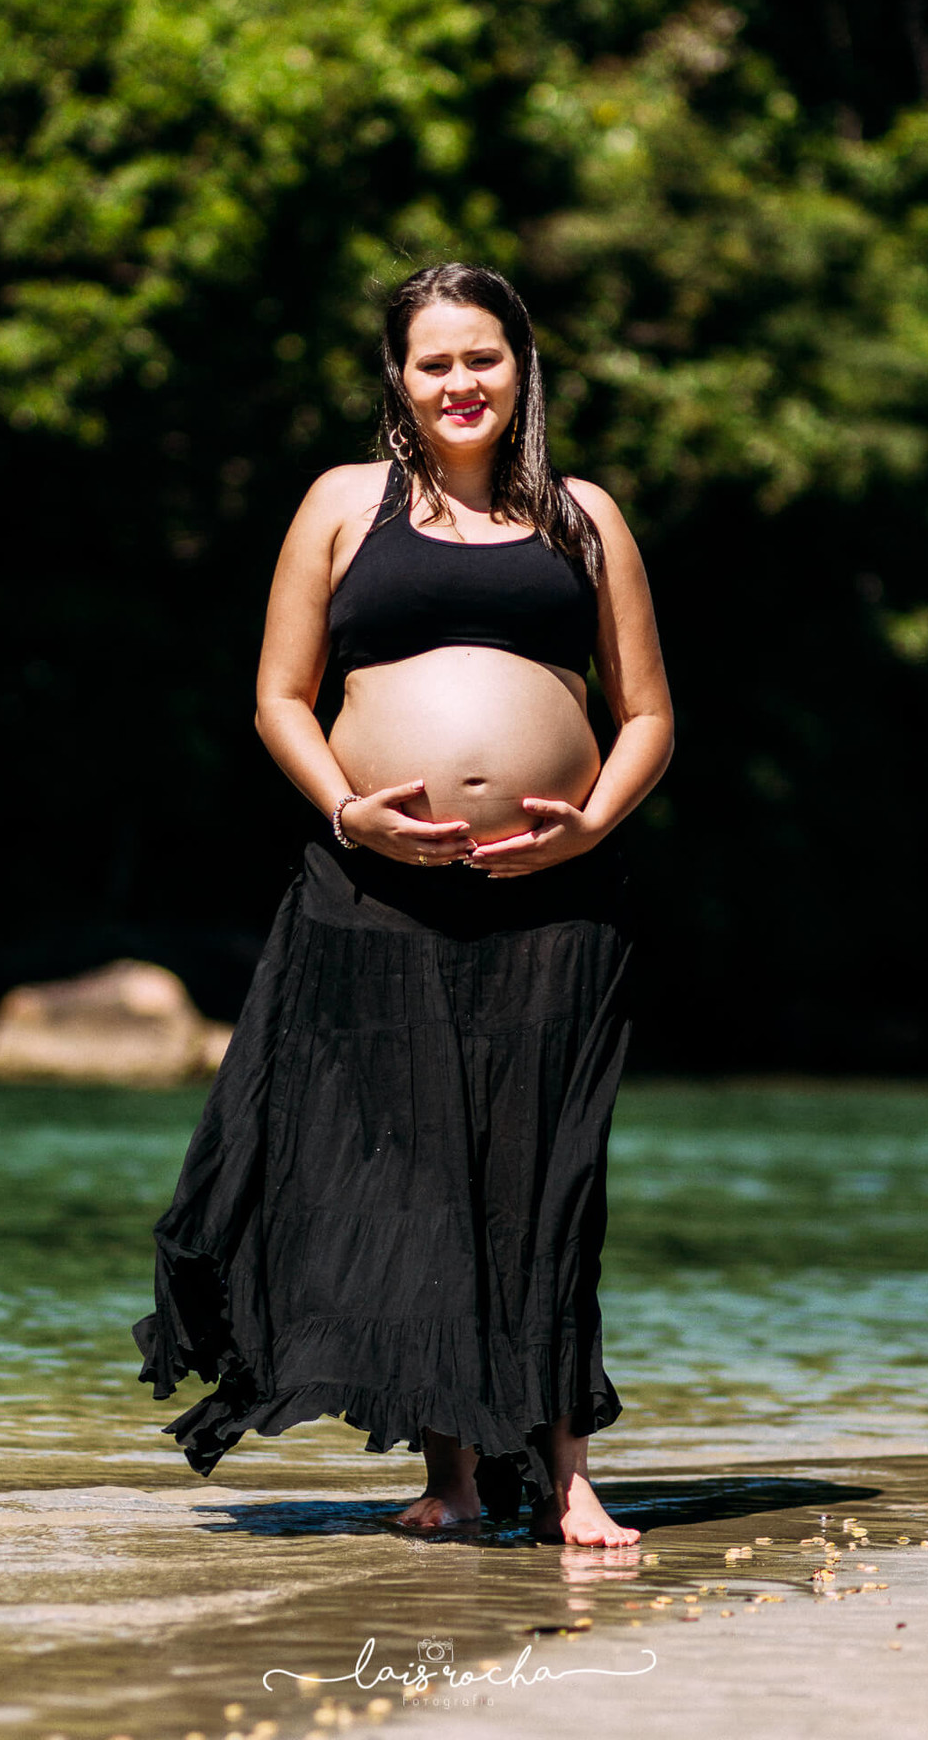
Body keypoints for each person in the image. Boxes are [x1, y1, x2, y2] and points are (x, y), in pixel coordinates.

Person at [133, 263, 673, 1547]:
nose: (459, 384)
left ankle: (571, 1478)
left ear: (520, 367)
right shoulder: (340, 506)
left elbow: (646, 713)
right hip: (374, 893)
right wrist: (345, 810)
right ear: (398, 377)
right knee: (421, 1182)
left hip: (557, 902)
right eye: (432, 362)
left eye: (481, 358)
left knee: (546, 1181)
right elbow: (277, 695)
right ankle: (453, 1480)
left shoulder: (585, 518)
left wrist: (589, 821)